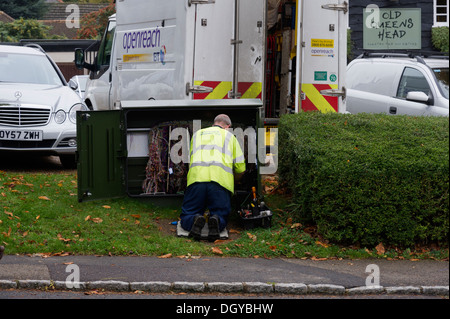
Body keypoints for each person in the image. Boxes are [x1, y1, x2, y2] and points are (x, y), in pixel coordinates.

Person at [180, 114, 245, 241]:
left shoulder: (197, 135)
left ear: (213, 123)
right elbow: (240, 169)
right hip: (220, 182)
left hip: (196, 179)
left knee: (188, 213)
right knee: (221, 214)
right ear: (228, 127)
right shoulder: (230, 137)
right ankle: (215, 221)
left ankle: (194, 220)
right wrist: (235, 181)